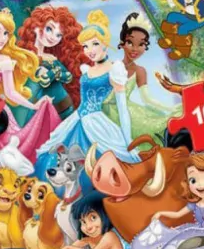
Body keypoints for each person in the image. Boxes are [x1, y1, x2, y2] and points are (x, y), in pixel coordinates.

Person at [37, 10, 139, 163]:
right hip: (76, 119)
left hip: (97, 124)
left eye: (95, 44)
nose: (89, 50)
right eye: (85, 46)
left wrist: (128, 139)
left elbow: (122, 108)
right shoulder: (86, 69)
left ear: (105, 44)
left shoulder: (114, 69)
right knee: (54, 148)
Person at [0, 9, 61, 161]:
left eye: (6, 33)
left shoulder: (5, 61)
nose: (2, 38)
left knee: (0, 154)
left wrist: (33, 106)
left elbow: (10, 92)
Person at [132, 150, 204, 249]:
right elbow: (178, 214)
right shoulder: (194, 204)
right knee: (170, 242)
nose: (200, 185)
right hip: (192, 230)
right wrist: (161, 213)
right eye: (193, 180)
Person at [103, 11, 180, 139]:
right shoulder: (110, 66)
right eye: (130, 42)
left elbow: (147, 99)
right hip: (105, 111)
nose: (135, 49)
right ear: (122, 43)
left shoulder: (140, 71)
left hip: (127, 111)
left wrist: (169, 108)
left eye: (141, 44)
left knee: (154, 124)